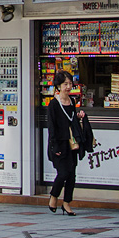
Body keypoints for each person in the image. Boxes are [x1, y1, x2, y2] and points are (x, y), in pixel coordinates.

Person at [47, 71, 85, 215]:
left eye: (70, 84)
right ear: (58, 86)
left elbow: (72, 121)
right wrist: (54, 146)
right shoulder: (54, 105)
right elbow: (52, 127)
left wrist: (80, 118)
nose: (68, 87)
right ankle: (54, 196)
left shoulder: (72, 102)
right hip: (59, 144)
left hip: (72, 144)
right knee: (63, 173)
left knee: (72, 175)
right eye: (65, 84)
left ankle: (67, 203)